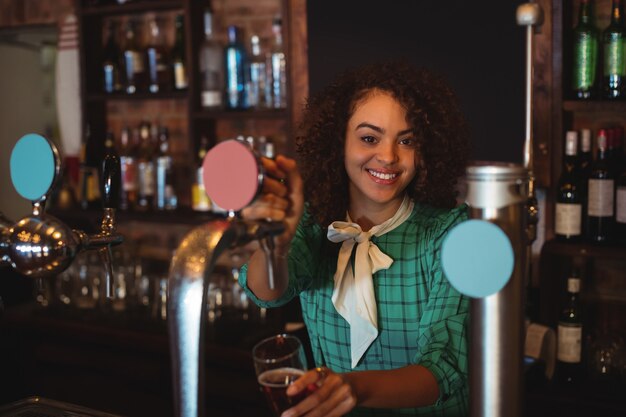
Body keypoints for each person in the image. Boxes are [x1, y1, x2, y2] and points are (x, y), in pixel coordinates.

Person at [239, 60, 471, 417]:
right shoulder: (314, 223)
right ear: (338, 142)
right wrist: (275, 247)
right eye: (369, 138)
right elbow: (269, 293)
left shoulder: (449, 234)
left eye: (406, 141)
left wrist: (354, 387)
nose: (389, 156)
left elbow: (443, 369)